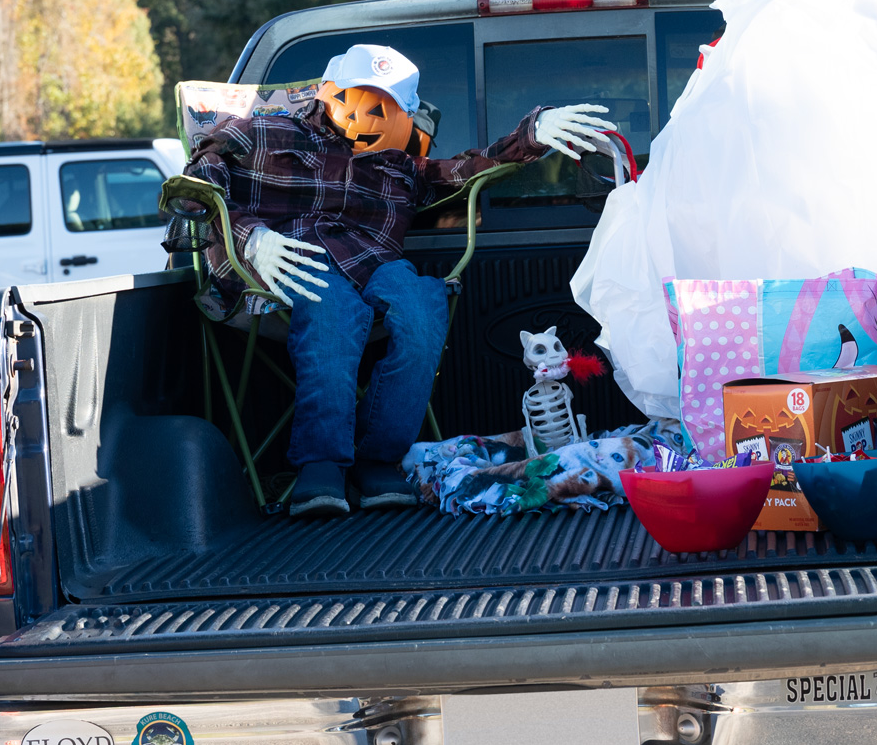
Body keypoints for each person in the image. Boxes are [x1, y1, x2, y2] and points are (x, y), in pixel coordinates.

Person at [185, 44, 611, 516]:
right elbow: (200, 179)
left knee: (423, 307)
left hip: (374, 265)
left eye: (384, 108)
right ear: (328, 91)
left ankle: (379, 458)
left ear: (405, 115)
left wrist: (533, 133)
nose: (367, 117)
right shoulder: (263, 130)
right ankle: (321, 463)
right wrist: (250, 237)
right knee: (332, 307)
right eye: (355, 99)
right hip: (293, 258)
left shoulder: (403, 166)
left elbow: (471, 166)